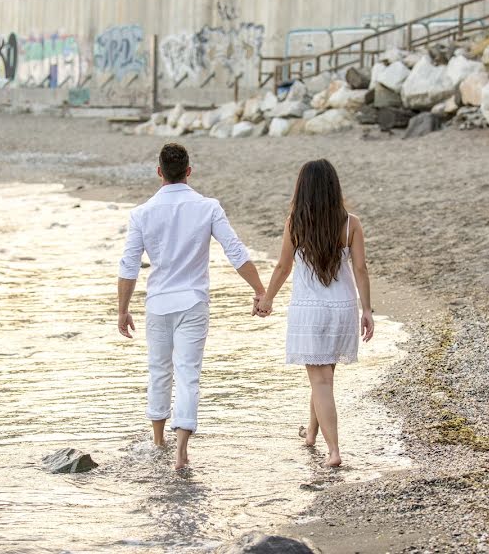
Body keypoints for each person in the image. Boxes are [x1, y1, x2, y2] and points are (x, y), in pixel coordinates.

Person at [117, 142, 265, 470]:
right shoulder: (208, 207)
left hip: (158, 304)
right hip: (193, 303)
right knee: (188, 375)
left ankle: (158, 442)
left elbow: (128, 265)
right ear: (188, 171)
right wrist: (259, 290)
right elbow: (235, 251)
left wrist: (122, 309)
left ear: (159, 172)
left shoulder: (141, 213)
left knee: (159, 371)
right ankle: (181, 451)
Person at [255, 159, 374, 467]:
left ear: (303, 188)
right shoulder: (351, 223)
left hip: (309, 310)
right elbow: (360, 269)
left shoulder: (296, 221)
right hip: (342, 308)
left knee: (320, 380)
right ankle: (311, 434)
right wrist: (367, 310)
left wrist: (267, 299)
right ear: (334, 187)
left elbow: (283, 266)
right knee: (323, 377)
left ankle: (334, 451)